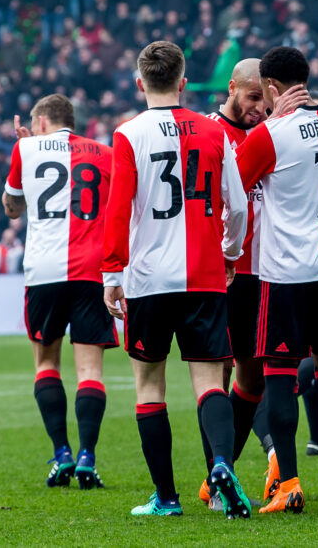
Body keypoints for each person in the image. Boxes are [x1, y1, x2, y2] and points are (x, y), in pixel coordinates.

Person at [101, 41, 249, 518]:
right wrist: (230, 253)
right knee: (209, 382)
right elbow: (239, 205)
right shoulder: (213, 131)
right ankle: (222, 465)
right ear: (184, 83)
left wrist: (111, 274)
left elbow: (119, 209)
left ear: (140, 83)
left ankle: (166, 498)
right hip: (204, 276)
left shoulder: (128, 135)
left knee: (149, 387)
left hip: (148, 280)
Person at [236, 46, 318, 513]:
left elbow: (235, 195)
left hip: (284, 272)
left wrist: (231, 254)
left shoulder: (268, 135)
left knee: (278, 373)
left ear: (271, 88)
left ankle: (289, 483)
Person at [197, 58, 309, 510]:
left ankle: (217, 476)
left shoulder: (278, 132)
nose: (259, 109)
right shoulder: (208, 132)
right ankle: (216, 477)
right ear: (232, 88)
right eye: (250, 99)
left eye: (265, 100)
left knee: (253, 377)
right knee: (218, 372)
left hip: (268, 269)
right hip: (222, 270)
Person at [1, 94, 117, 489]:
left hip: (44, 272)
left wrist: (23, 149)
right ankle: (87, 457)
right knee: (90, 371)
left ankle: (62, 454)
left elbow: (12, 208)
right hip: (92, 271)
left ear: (42, 122)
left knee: (46, 364)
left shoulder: (25, 147)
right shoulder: (104, 152)